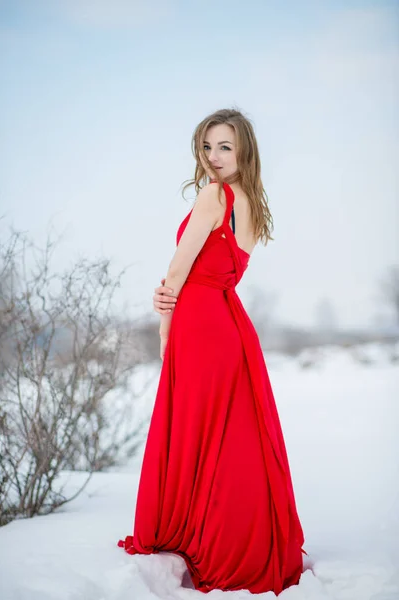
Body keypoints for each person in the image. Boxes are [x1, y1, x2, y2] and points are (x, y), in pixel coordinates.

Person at [118, 108, 306, 594]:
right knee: (226, 433)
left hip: (200, 320)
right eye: (207, 147)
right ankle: (234, 536)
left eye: (224, 146)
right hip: (228, 320)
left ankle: (205, 535)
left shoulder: (214, 195)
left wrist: (164, 323)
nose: (214, 157)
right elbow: (226, 270)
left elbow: (177, 272)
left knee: (198, 427)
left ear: (244, 148)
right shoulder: (251, 202)